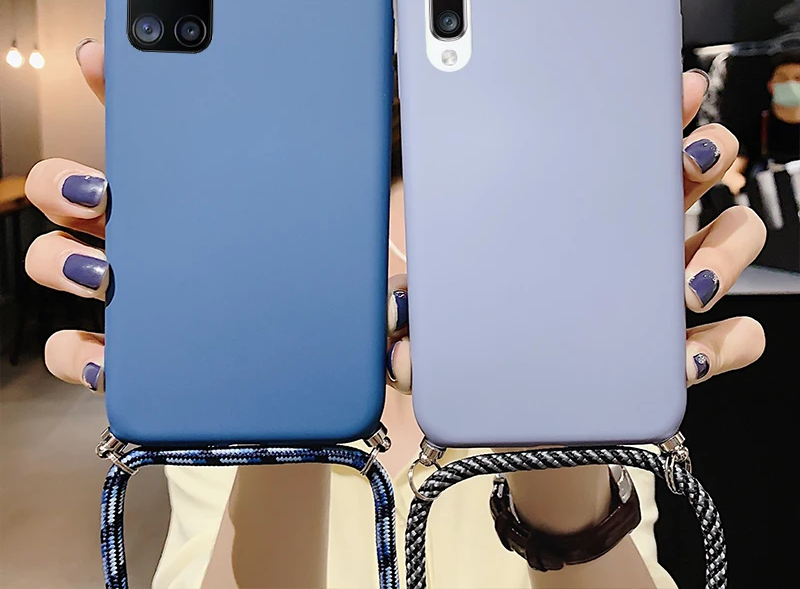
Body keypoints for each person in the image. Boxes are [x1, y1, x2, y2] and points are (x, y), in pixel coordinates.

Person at [24, 39, 766, 589]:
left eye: (447, 261)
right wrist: (292, 408)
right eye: (373, 259)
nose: (407, 297)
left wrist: (555, 452)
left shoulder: (580, 363)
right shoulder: (233, 382)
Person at [722, 49, 800, 195]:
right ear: (771, 85)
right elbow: (731, 172)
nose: (790, 84)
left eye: (798, 78)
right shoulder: (754, 129)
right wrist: (737, 184)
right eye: (782, 79)